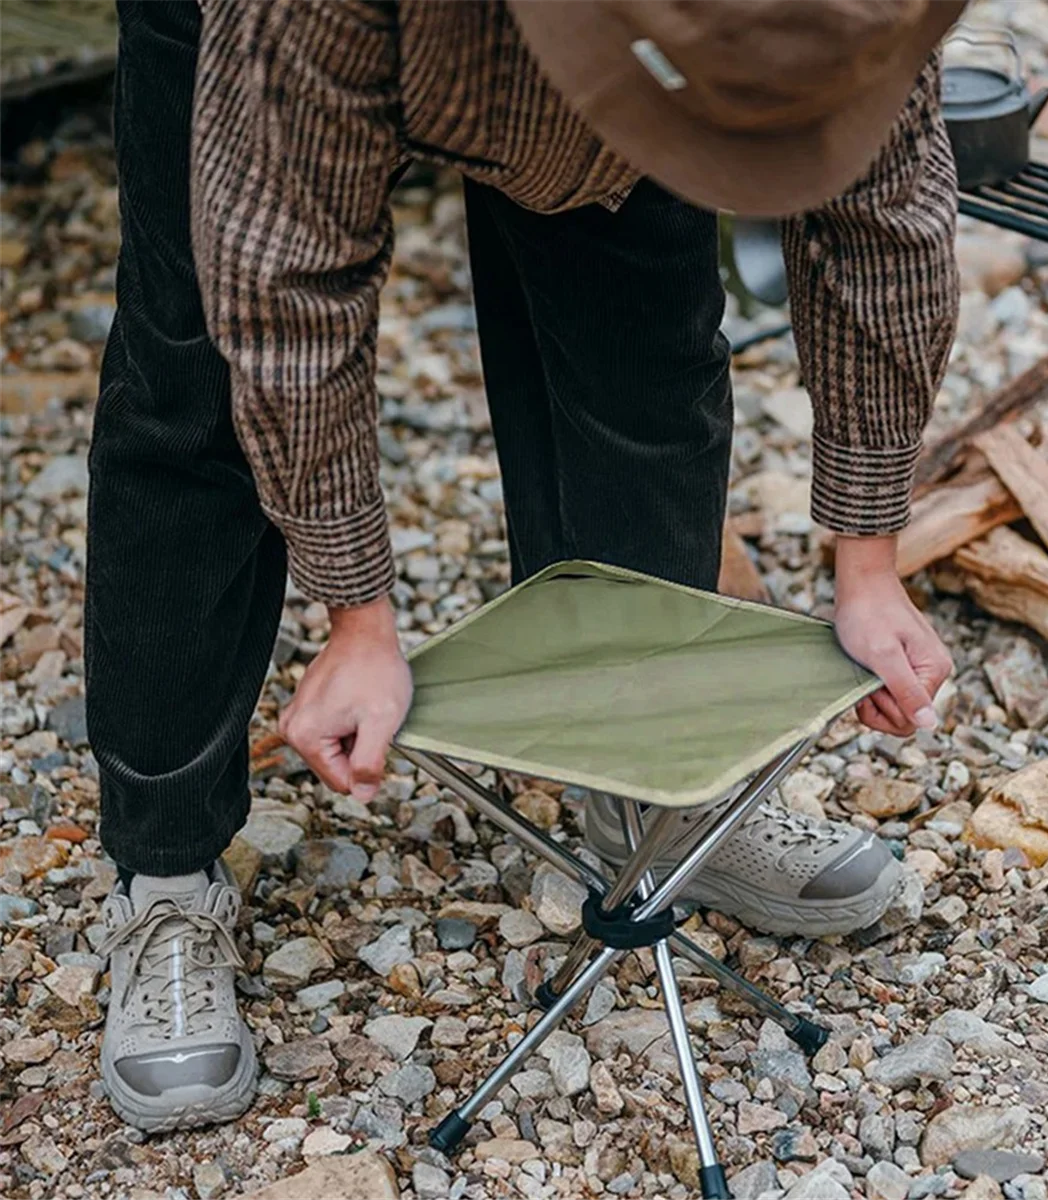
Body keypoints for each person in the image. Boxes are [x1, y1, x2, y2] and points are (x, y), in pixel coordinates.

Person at [87, 0, 961, 1132]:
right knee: (196, 378)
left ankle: (648, 792)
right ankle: (164, 874)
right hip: (320, 35)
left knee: (641, 348)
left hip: (648, 41)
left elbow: (882, 221)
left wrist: (869, 559)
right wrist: (361, 621)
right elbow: (288, 289)